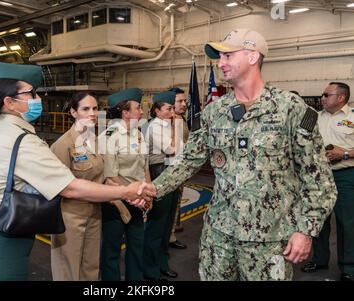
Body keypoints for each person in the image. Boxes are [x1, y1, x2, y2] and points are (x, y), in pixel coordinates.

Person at [148, 28, 337, 280]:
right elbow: (188, 160)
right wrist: (152, 190)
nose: (220, 63)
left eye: (227, 56)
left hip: (269, 240)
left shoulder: (289, 109)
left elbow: (319, 179)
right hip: (219, 236)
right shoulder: (213, 113)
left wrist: (305, 231)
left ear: (252, 56)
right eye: (220, 57)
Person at [0, 62, 153, 281]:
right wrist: (125, 192)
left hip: (0, 230)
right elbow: (69, 188)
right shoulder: (23, 140)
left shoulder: (1, 132)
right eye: (31, 93)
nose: (38, 98)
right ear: (9, 102)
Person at [301, 82, 354, 281]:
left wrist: (345, 153)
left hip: (345, 176)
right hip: (318, 176)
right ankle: (319, 259)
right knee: (318, 221)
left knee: (347, 224)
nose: (322, 98)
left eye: (326, 95)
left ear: (341, 97)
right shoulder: (313, 117)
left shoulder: (353, 117)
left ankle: (349, 267)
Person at [50, 92, 104, 281]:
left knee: (91, 267)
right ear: (73, 112)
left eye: (95, 108)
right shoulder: (63, 145)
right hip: (70, 216)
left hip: (94, 212)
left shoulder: (95, 140)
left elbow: (101, 176)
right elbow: (57, 187)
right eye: (86, 109)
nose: (92, 113)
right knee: (68, 269)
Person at [99, 88, 151, 281]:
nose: (142, 112)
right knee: (111, 250)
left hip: (138, 200)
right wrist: (135, 196)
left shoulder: (138, 134)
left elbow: (145, 166)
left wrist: (148, 193)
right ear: (125, 112)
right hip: (117, 202)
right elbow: (110, 175)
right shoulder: (109, 136)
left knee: (137, 247)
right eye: (138, 108)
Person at [142, 91, 181, 280]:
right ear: (157, 111)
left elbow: (181, 150)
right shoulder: (155, 127)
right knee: (157, 225)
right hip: (160, 173)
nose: (172, 112)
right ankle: (149, 267)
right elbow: (171, 149)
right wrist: (176, 128)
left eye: (173, 108)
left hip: (172, 173)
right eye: (169, 108)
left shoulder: (167, 125)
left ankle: (162, 263)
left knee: (167, 225)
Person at [168, 87, 188, 249]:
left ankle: (172, 230)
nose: (184, 104)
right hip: (171, 168)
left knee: (176, 201)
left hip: (181, 166)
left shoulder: (181, 118)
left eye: (184, 100)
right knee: (170, 204)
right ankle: (170, 237)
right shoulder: (172, 121)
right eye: (179, 101)